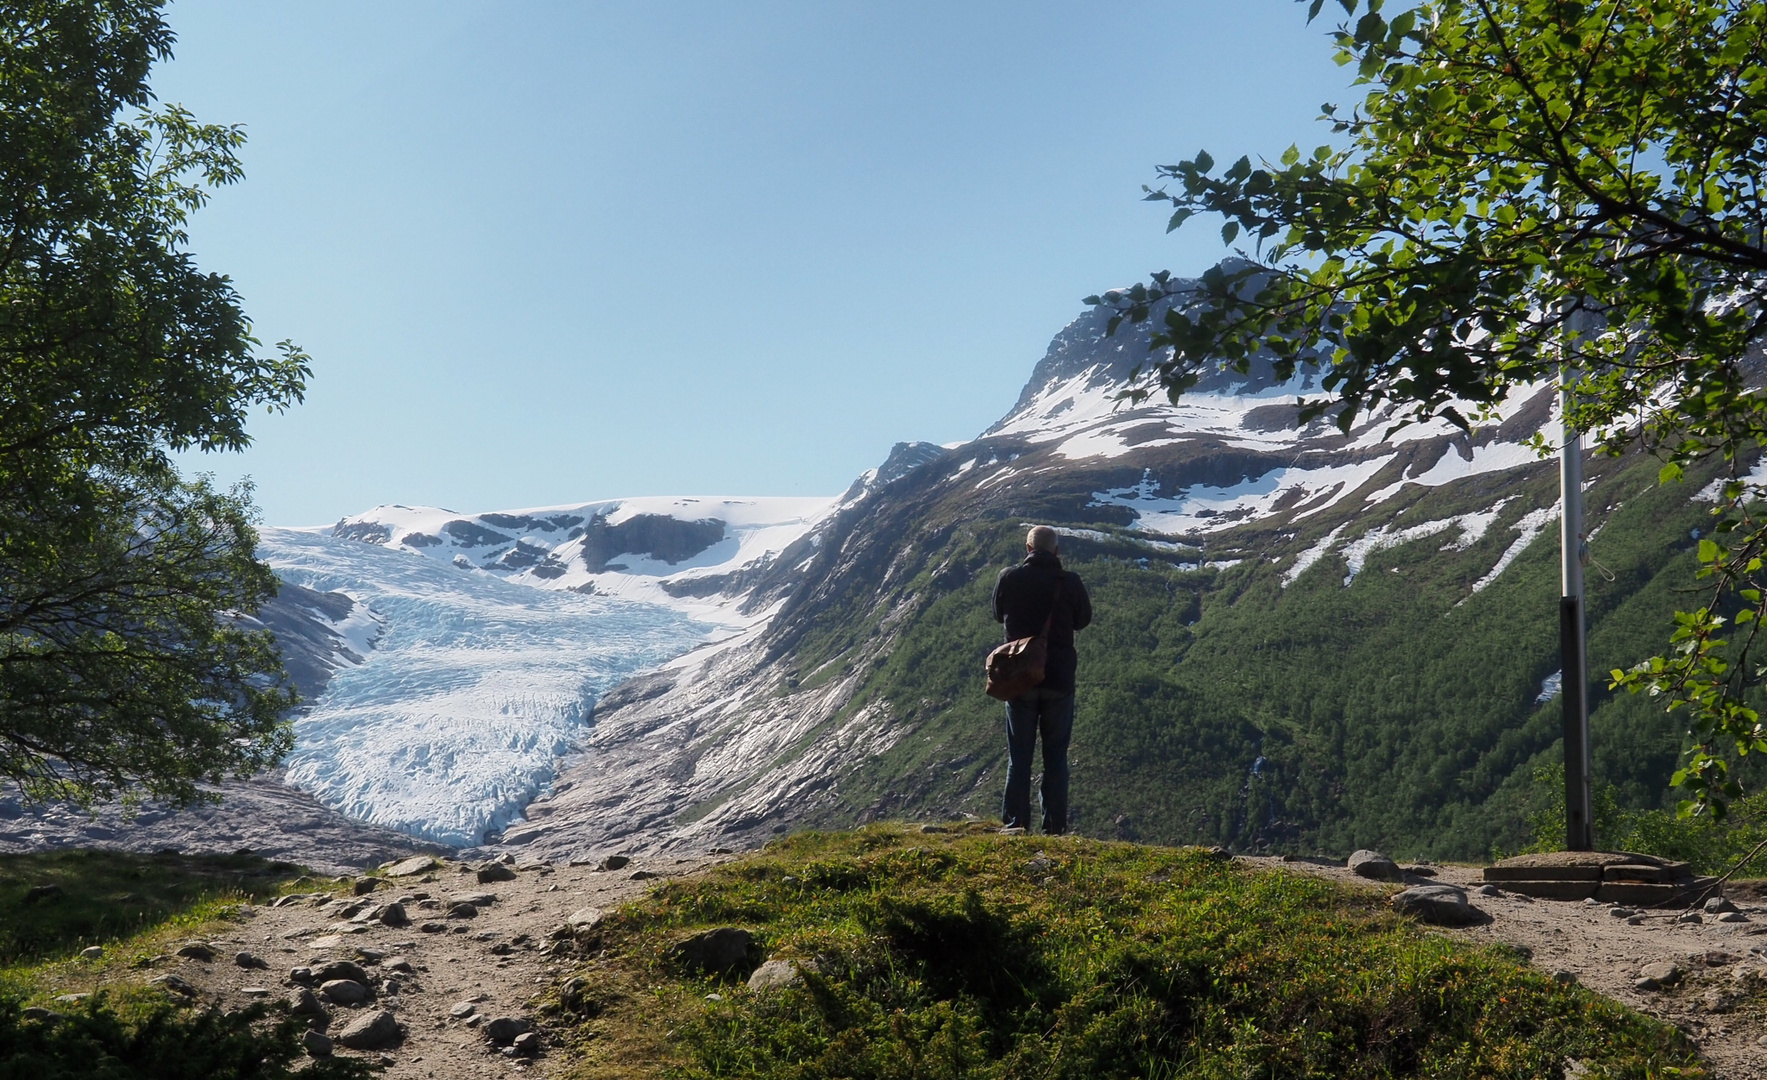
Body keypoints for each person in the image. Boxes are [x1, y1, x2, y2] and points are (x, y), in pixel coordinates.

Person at [991, 524, 1092, 834]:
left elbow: (998, 613)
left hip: (1018, 679)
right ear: (1056, 551)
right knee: (1055, 757)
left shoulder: (1009, 577)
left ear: (1027, 548)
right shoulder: (1070, 582)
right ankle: (1054, 829)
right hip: (1059, 680)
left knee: (1019, 757)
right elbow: (1083, 621)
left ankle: (1015, 824)